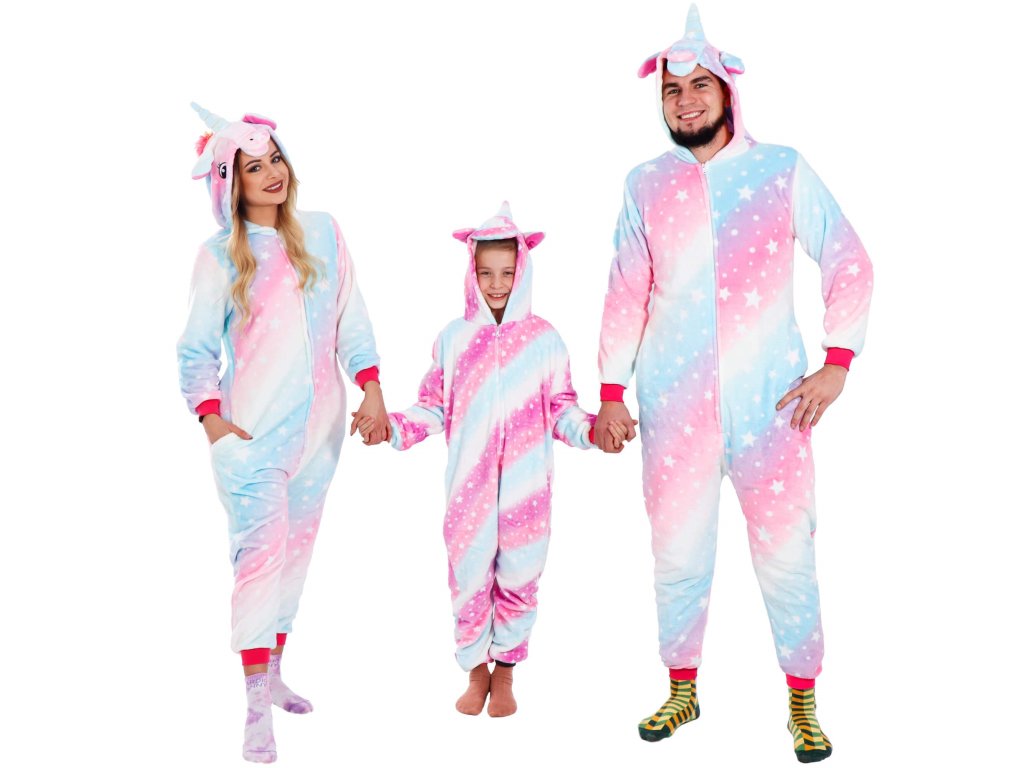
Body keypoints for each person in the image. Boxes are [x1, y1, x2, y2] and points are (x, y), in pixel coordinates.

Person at [592, 6, 873, 762]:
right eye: (671, 90)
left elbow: (847, 257)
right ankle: (682, 690)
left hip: (772, 408)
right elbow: (626, 290)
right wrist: (611, 392)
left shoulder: (779, 169)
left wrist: (838, 361)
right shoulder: (645, 184)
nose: (684, 101)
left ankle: (803, 702)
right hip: (672, 407)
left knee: (787, 554)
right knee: (677, 554)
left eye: (699, 86)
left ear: (727, 92)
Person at [177, 103, 389, 763]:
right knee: (259, 565)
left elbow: (351, 317)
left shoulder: (322, 233)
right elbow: (194, 352)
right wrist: (216, 426)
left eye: (275, 159)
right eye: (253, 167)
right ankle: (252, 711)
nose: (272, 173)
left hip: (320, 441)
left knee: (293, 560)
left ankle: (272, 676)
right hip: (252, 444)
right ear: (229, 183)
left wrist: (372, 388)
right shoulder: (219, 258)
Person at [368, 202, 630, 717]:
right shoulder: (454, 339)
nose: (496, 284)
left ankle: (506, 669)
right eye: (486, 273)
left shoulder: (544, 339)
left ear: (523, 272)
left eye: (507, 273)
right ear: (471, 273)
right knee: (469, 573)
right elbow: (433, 406)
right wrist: (391, 428)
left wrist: (594, 432)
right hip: (468, 485)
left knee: (520, 573)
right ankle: (475, 669)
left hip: (527, 486)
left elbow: (562, 410)